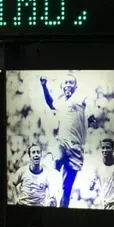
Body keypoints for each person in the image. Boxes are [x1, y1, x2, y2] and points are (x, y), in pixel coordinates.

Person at [39, 73, 89, 207]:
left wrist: (91, 117)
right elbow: (50, 103)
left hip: (76, 148)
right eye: (65, 83)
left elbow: (87, 104)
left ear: (75, 86)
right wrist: (44, 86)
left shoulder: (80, 98)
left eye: (71, 83)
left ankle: (61, 212)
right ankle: (52, 197)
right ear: (62, 86)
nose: (68, 85)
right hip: (63, 142)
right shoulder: (61, 102)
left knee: (66, 190)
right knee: (56, 160)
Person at [77, 137, 114, 209]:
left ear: (113, 150)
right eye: (103, 148)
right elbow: (91, 186)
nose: (105, 150)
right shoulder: (98, 166)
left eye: (107, 148)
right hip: (106, 203)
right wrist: (91, 185)